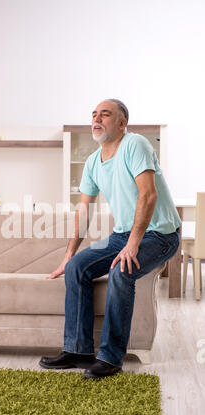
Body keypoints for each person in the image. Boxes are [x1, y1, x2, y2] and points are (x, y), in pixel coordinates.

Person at [39, 99, 181, 378]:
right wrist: (69, 254)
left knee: (121, 269)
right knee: (77, 267)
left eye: (105, 114)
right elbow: (84, 209)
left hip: (161, 234)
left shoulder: (135, 145)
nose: (97, 119)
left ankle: (111, 358)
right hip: (122, 234)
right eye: (94, 114)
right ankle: (78, 350)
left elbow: (148, 195)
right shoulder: (93, 162)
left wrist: (132, 244)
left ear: (121, 123)